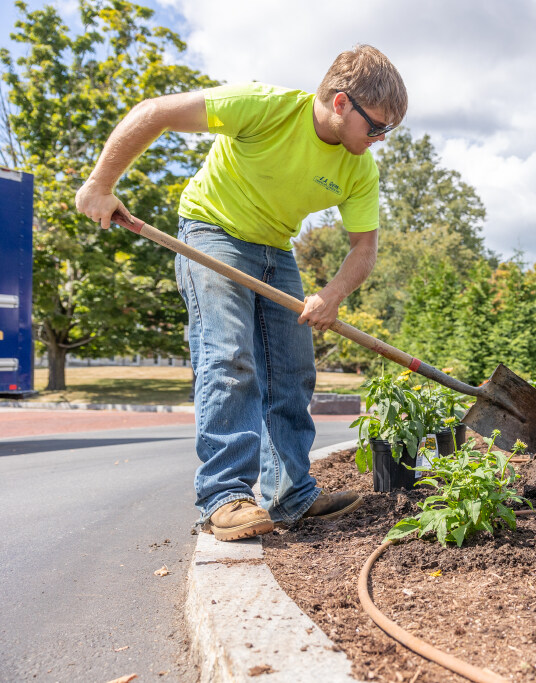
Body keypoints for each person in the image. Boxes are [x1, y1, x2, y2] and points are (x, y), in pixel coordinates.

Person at [76, 45, 407, 541]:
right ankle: (224, 495)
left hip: (275, 248)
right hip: (213, 231)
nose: (380, 139)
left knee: (293, 371)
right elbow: (154, 112)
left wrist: (333, 294)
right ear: (341, 103)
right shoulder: (263, 107)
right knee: (230, 356)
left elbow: (364, 247)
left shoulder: (359, 168)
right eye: (377, 127)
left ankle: (291, 494)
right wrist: (100, 183)